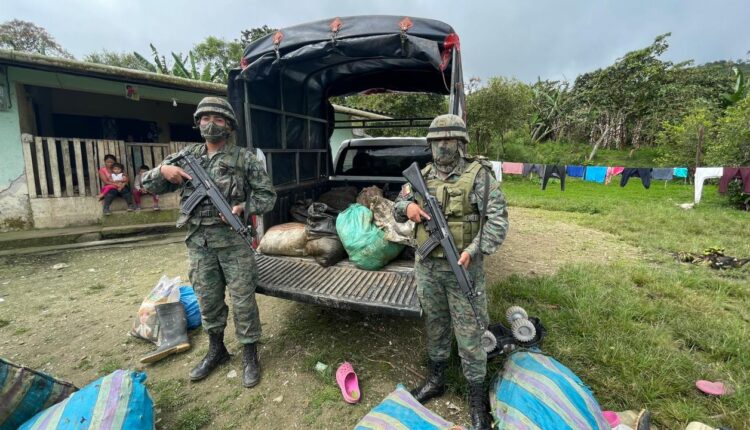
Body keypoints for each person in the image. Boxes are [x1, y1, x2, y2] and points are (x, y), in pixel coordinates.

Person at [141, 97, 276, 388]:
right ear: (197, 122)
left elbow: (268, 196)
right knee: (208, 301)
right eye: (205, 118)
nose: (210, 124)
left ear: (228, 125)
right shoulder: (186, 156)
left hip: (233, 243)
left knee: (242, 301)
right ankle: (217, 350)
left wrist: (244, 208)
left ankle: (250, 354)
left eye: (217, 119)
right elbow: (146, 184)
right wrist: (162, 171)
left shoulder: (244, 158)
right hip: (198, 244)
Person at [393, 114, 509, 430]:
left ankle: (476, 400)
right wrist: (409, 209)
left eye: (448, 140)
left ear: (460, 143)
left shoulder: (479, 176)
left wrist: (474, 250)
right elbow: (396, 207)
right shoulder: (421, 177)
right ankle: (436, 378)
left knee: (470, 331)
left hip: (464, 269)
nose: (442, 146)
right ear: (430, 144)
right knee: (435, 322)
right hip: (428, 268)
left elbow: (499, 222)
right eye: (436, 141)